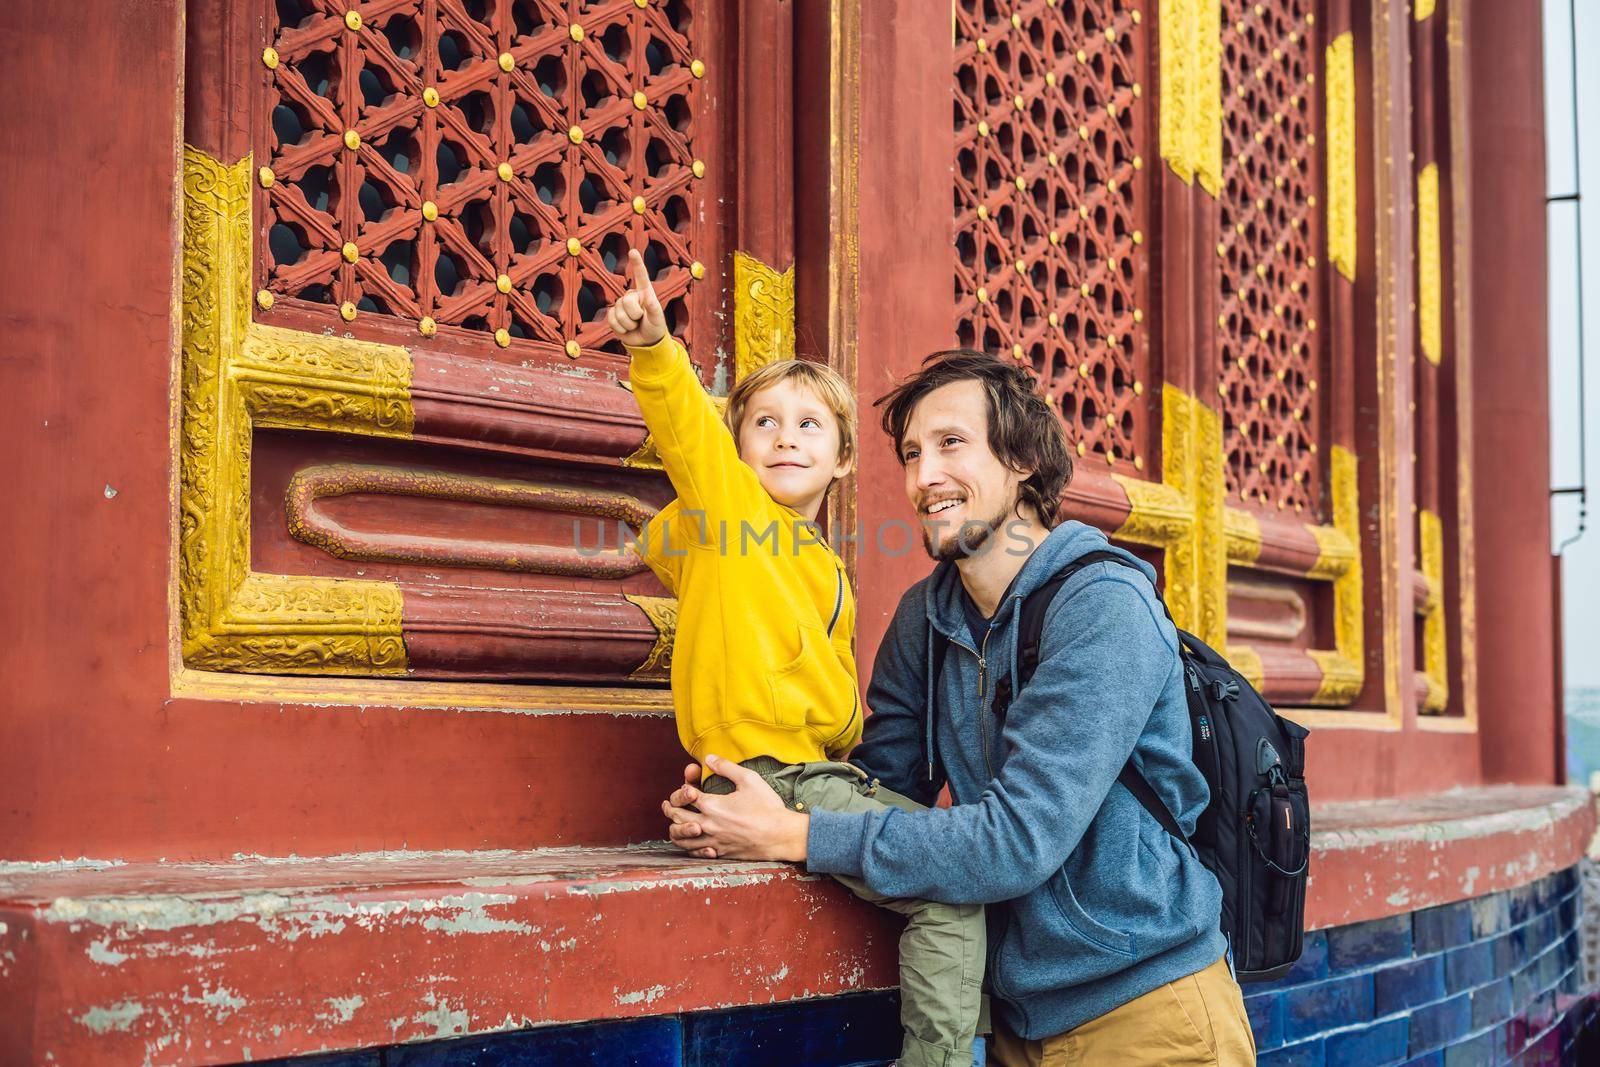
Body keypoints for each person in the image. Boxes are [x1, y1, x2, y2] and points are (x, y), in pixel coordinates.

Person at [661, 350, 1257, 1066]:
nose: (923, 477)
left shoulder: (1103, 607)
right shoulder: (926, 616)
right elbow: (885, 794)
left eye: (950, 444)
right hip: (1006, 1022)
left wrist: (796, 834)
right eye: (912, 453)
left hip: (1146, 1014)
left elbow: (1018, 841)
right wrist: (747, 804)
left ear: (1024, 460)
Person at [606, 252, 985, 1067]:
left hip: (817, 773)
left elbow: (839, 700)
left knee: (954, 859)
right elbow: (686, 432)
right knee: (953, 889)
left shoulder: (826, 563)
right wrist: (655, 351)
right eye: (764, 423)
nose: (784, 437)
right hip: (764, 772)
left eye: (809, 424)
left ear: (845, 457)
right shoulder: (732, 509)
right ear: (737, 448)